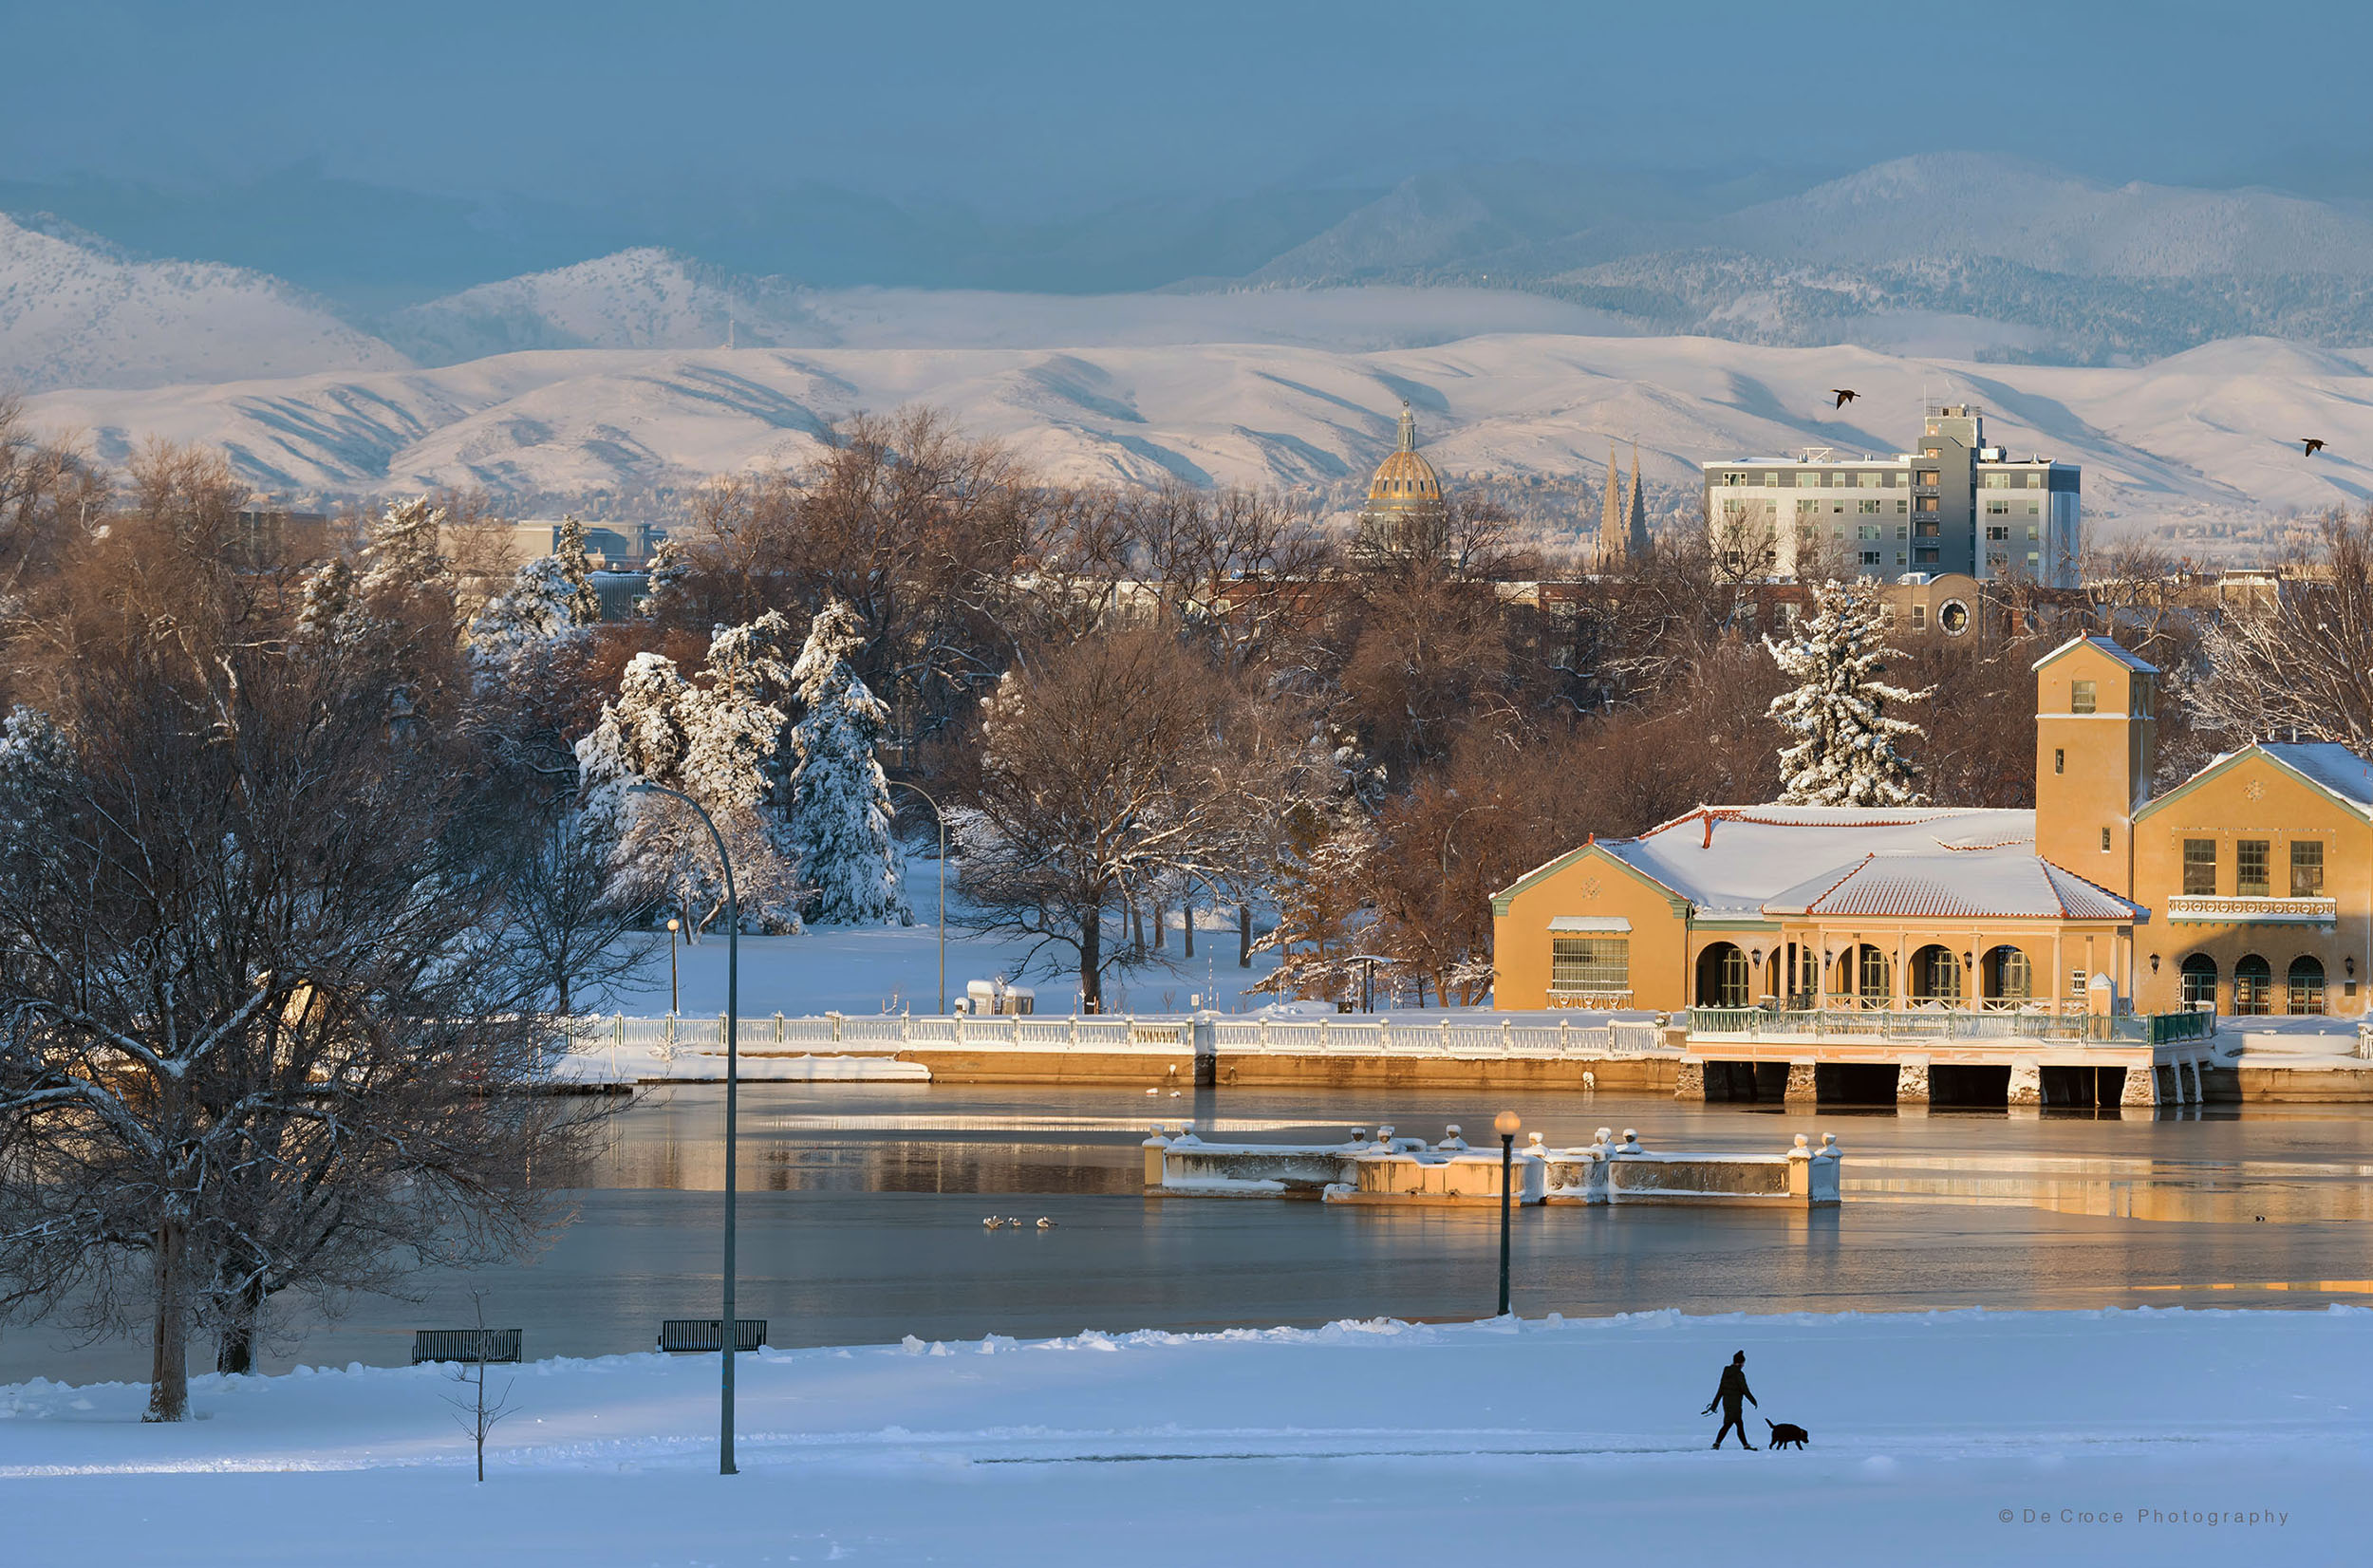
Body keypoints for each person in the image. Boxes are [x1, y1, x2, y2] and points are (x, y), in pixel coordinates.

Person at [1703, 1350, 1758, 1449]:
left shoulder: (1726, 1372)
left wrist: (1715, 1404)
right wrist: (1753, 1400)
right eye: (1743, 1363)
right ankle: (1717, 1444)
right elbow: (1744, 1389)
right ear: (1741, 1363)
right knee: (1730, 1424)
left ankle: (1744, 1445)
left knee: (1737, 1423)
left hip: (1726, 1403)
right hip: (1736, 1404)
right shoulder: (1739, 1374)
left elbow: (1720, 1390)